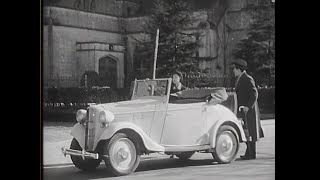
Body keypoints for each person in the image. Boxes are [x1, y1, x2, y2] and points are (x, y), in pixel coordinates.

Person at [230, 59, 264, 160]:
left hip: (249, 110)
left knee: (250, 131)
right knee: (246, 131)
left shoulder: (247, 78)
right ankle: (249, 153)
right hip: (243, 110)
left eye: (234, 69)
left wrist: (248, 107)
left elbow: (254, 94)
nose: (233, 71)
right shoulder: (240, 78)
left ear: (239, 69)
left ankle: (251, 154)